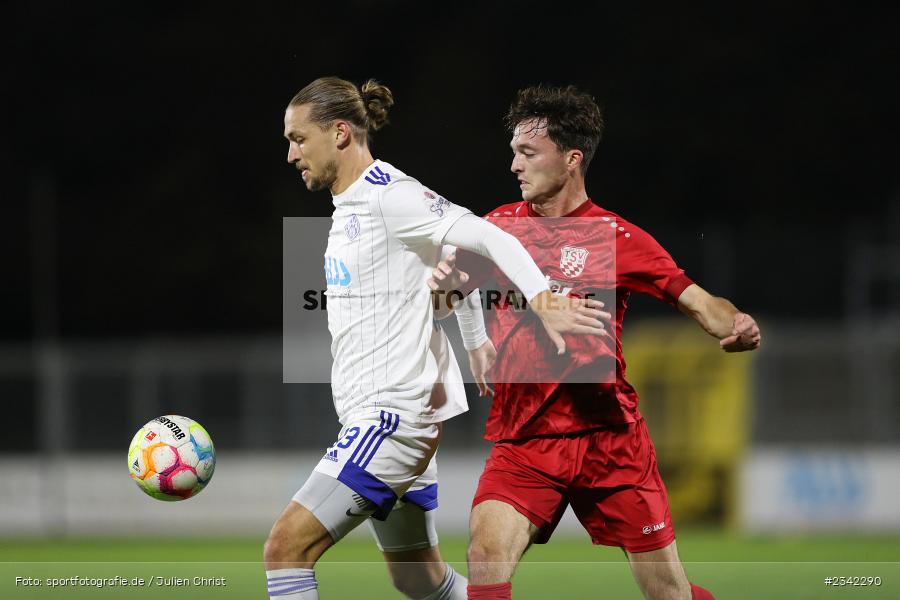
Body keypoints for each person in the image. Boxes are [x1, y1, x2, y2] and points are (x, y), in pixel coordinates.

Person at [265, 77, 608, 600]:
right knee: (418, 579)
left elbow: (488, 237)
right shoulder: (353, 206)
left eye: (298, 139)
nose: (291, 155)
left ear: (339, 133)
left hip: (391, 420)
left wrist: (543, 300)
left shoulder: (390, 196)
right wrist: (474, 339)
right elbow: (448, 262)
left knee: (286, 550)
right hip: (380, 417)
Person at [428, 85, 761, 600]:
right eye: (514, 152)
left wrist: (736, 324)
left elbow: (699, 303)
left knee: (668, 592)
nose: (514, 165)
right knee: (486, 553)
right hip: (526, 437)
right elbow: (443, 302)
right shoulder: (497, 229)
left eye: (528, 152)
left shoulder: (616, 237)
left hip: (609, 440)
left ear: (571, 159)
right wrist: (438, 290)